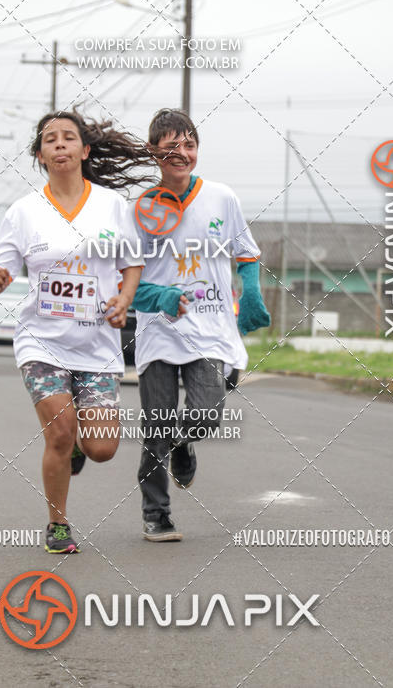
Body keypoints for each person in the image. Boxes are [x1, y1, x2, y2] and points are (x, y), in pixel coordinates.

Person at [0, 109, 150, 554]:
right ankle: (58, 524)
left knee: (102, 449)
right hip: (42, 341)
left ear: (84, 150)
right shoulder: (24, 211)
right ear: (40, 155)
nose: (59, 144)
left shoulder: (112, 205)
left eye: (68, 137)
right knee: (57, 433)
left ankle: (79, 449)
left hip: (97, 345)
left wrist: (124, 299)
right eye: (50, 139)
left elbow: (132, 262)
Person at [131, 108, 271, 542]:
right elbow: (125, 279)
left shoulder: (222, 198)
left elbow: (245, 252)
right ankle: (157, 513)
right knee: (156, 422)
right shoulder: (139, 209)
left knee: (208, 414)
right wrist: (161, 298)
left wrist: (251, 293)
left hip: (209, 327)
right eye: (172, 147)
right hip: (157, 330)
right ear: (155, 152)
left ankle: (183, 442)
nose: (182, 153)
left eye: (189, 145)